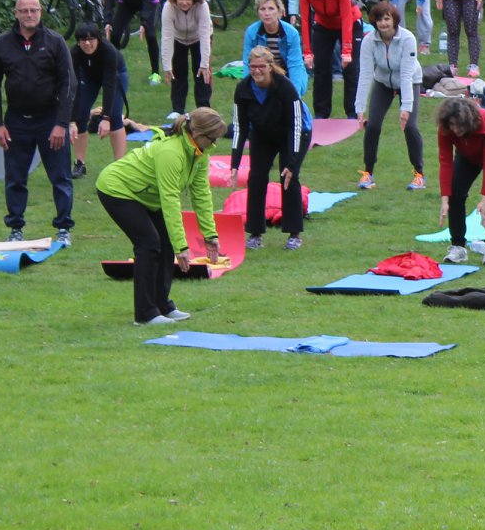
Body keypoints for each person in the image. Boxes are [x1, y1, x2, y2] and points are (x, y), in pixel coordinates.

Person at [95, 108, 225, 325]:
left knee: (164, 242)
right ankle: (145, 314)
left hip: (146, 195)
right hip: (117, 189)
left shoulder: (201, 153)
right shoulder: (171, 153)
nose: (214, 145)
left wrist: (210, 234)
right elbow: (170, 200)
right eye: (212, 139)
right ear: (198, 134)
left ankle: (161, 304)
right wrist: (181, 247)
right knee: (148, 244)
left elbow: (201, 193)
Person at [0, 0, 77, 245]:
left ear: (40, 12)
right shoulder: (2, 44)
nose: (29, 15)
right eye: (24, 10)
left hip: (50, 119)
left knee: (60, 176)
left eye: (34, 10)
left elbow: (68, 84)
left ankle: (63, 228)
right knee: (15, 177)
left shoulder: (55, 42)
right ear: (16, 13)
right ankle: (15, 228)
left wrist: (61, 123)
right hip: (16, 121)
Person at [226, 46, 311, 250]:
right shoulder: (243, 89)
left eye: (261, 67)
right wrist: (234, 165)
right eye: (252, 67)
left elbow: (295, 126)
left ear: (270, 67)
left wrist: (292, 163)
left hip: (294, 133)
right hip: (263, 134)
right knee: (256, 178)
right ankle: (255, 233)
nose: (256, 71)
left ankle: (294, 234)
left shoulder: (284, 87)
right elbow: (240, 127)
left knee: (288, 177)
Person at [352, 0, 426, 191]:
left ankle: (419, 175)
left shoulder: (408, 39)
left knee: (410, 126)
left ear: (394, 20)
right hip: (384, 82)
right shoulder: (369, 41)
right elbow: (366, 74)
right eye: (379, 20)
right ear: (374, 22)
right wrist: (359, 108)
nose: (384, 23)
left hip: (410, 81)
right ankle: (368, 173)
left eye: (387, 19)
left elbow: (407, 74)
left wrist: (405, 108)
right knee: (373, 125)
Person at [436, 97, 485, 266]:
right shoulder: (445, 129)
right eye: (452, 125)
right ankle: (457, 246)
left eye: (459, 125)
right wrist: (444, 199)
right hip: (468, 155)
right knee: (455, 192)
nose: (455, 129)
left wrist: (484, 198)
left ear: (468, 121)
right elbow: (445, 162)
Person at [299, 0, 359, 119]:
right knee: (321, 68)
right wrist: (307, 52)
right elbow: (305, 21)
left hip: (349, 22)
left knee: (350, 68)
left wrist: (346, 50)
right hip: (324, 24)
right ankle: (321, 112)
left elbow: (346, 18)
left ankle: (352, 111)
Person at [69, 23, 130, 175]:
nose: (87, 43)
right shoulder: (75, 53)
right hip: (89, 77)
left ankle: (119, 166)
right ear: (78, 42)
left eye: (91, 39)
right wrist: (72, 119)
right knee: (81, 115)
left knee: (115, 116)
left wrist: (105, 118)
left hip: (115, 75)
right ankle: (79, 163)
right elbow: (73, 85)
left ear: (98, 39)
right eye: (83, 40)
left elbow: (109, 85)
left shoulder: (108, 51)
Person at [159, 0, 214, 114]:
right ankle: (178, 109)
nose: (184, 2)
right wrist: (167, 66)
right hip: (178, 38)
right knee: (178, 71)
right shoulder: (168, 7)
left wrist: (205, 63)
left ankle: (203, 107)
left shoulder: (202, 6)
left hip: (199, 37)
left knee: (201, 72)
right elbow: (166, 37)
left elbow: (205, 35)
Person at [241, 0, 308, 89]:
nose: (267, 13)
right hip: (261, 74)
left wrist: (294, 93)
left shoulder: (292, 33)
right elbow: (248, 62)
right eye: (262, 9)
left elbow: (295, 65)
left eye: (271, 9)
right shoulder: (251, 32)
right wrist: (246, 89)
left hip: (286, 76)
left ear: (279, 11)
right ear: (258, 12)